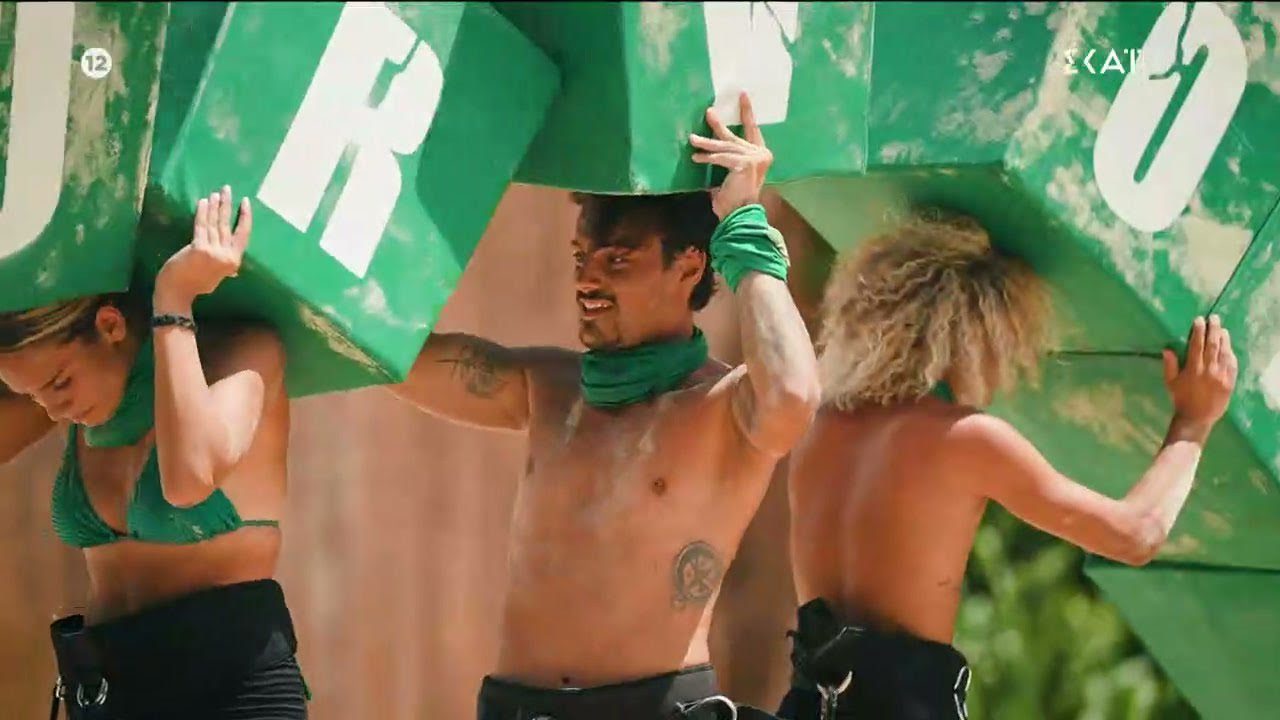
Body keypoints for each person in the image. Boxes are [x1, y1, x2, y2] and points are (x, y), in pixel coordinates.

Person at [388, 93, 820, 720]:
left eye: (617, 259)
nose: (587, 278)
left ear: (689, 266)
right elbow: (382, 355)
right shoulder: (548, 387)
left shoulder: (722, 409)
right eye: (580, 257)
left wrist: (746, 222)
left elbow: (794, 393)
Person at [776, 213, 1239, 720]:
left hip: (809, 704)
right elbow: (1137, 534)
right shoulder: (965, 438)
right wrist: (1193, 422)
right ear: (978, 335)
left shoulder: (819, 428)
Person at [0, 187, 306, 719]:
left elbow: (188, 481)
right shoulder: (77, 399)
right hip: (106, 693)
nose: (50, 407)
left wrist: (173, 300)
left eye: (58, 382)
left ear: (110, 325)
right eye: (33, 393)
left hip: (229, 698)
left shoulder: (242, 353)